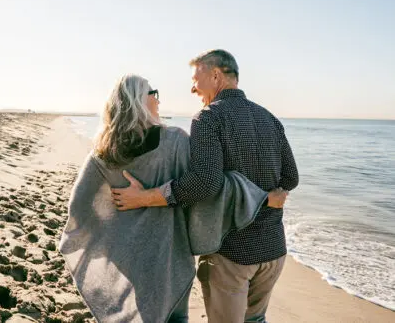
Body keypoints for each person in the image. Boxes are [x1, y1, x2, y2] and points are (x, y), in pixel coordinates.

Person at [59, 74, 287, 323]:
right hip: (170, 252)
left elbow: (80, 209)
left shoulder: (103, 151)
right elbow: (210, 187)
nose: (157, 101)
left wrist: (114, 233)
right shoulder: (175, 142)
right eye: (153, 94)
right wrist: (263, 198)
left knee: (144, 314)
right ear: (140, 100)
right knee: (176, 316)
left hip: (129, 253)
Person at [112, 50, 299, 323]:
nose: (192, 88)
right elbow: (291, 178)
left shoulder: (209, 117)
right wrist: (265, 195)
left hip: (231, 251)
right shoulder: (269, 118)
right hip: (273, 250)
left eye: (195, 79)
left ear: (215, 75)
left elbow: (203, 184)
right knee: (256, 320)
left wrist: (143, 198)